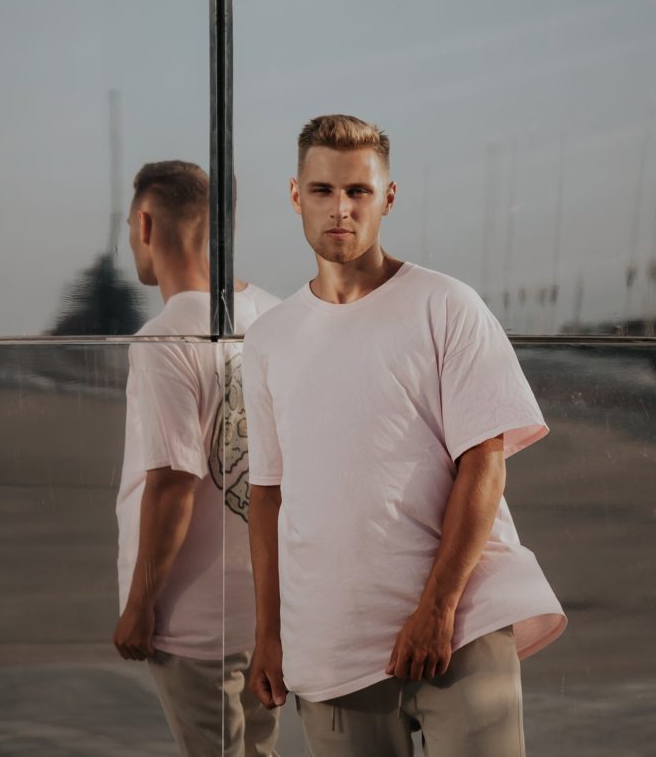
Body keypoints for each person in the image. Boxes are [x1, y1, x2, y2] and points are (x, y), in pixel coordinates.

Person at [243, 116, 567, 757]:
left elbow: (485, 464)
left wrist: (438, 610)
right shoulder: (270, 339)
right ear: (295, 195)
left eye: (358, 191)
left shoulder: (446, 305)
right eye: (322, 190)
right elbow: (268, 496)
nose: (340, 209)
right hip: (328, 640)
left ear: (388, 197)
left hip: (460, 626)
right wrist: (269, 636)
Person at [113, 160, 281, 757]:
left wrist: (139, 607)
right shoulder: (275, 314)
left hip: (191, 620)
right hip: (266, 611)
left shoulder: (164, 338)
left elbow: (172, 485)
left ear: (146, 224)